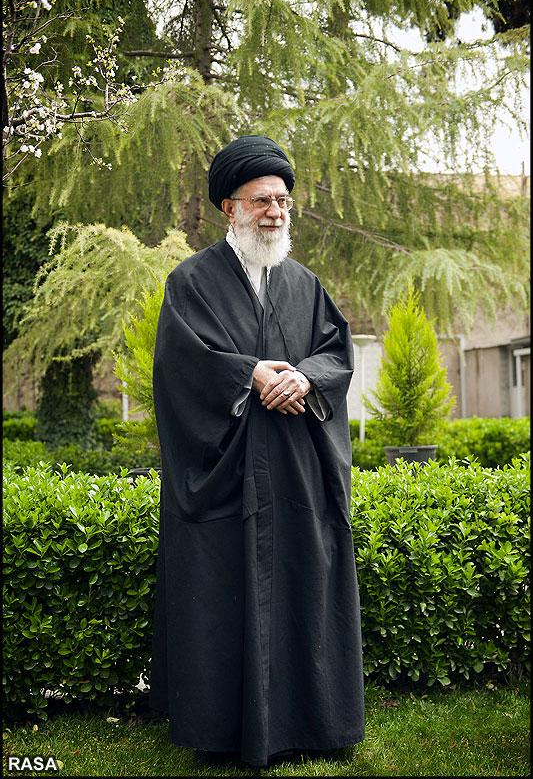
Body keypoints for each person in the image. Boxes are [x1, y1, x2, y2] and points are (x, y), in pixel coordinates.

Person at [148, 135, 365, 768]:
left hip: (297, 473)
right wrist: (251, 374)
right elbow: (181, 368)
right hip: (228, 478)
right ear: (229, 207)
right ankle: (220, 732)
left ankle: (314, 725)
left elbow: (335, 352)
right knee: (224, 596)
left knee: (304, 586)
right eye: (262, 200)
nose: (275, 212)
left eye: (284, 202)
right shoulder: (191, 282)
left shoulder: (305, 282)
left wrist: (306, 378)